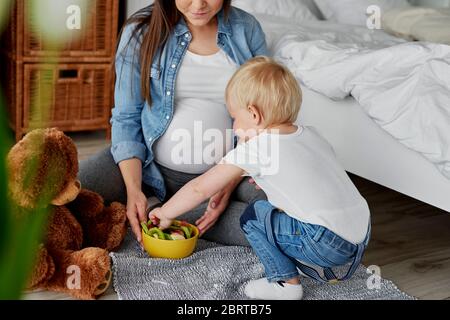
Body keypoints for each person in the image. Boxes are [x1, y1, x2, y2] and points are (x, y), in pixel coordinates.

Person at [148, 57, 372, 300]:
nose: (234, 126)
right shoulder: (311, 134)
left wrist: (167, 212)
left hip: (325, 243)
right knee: (279, 209)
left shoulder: (257, 148)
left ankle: (285, 285)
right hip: (361, 234)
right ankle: (302, 254)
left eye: (235, 117)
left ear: (253, 115)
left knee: (255, 216)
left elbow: (200, 189)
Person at [78, 0, 269, 246]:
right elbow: (126, 117)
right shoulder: (140, 31)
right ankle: (162, 207)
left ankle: (167, 212)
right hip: (147, 167)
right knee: (67, 194)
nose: (199, 4)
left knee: (278, 209)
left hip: (227, 174)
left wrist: (228, 181)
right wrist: (133, 190)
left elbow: (264, 118)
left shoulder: (246, 29)